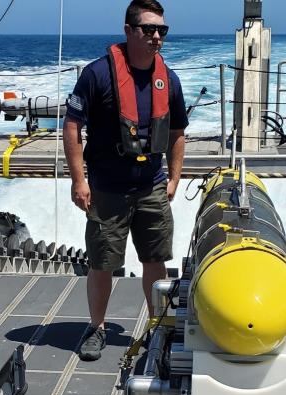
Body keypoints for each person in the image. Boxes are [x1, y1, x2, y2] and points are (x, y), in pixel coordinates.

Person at [63, 0, 188, 361]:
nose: (156, 37)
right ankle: (97, 328)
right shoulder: (96, 75)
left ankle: (156, 330)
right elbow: (72, 128)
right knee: (102, 262)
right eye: (148, 29)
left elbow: (178, 132)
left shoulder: (170, 79)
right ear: (129, 31)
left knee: (155, 260)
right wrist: (78, 181)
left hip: (151, 185)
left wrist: (175, 179)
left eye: (161, 30)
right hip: (107, 187)